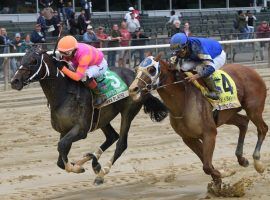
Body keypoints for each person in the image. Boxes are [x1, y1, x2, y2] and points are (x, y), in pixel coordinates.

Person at [54, 35, 108, 106]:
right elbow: (65, 57)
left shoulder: (84, 56)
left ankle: (100, 95)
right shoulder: (71, 48)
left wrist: (62, 68)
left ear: (74, 50)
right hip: (87, 61)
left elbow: (77, 77)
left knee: (84, 76)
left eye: (66, 53)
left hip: (99, 65)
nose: (64, 55)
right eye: (61, 52)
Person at [169, 33, 226, 100]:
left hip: (217, 56)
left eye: (180, 51)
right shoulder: (181, 48)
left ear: (186, 46)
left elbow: (211, 68)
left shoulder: (197, 47)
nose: (178, 54)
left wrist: (197, 76)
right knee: (184, 67)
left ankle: (216, 92)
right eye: (176, 52)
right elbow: (172, 65)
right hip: (197, 57)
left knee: (200, 69)